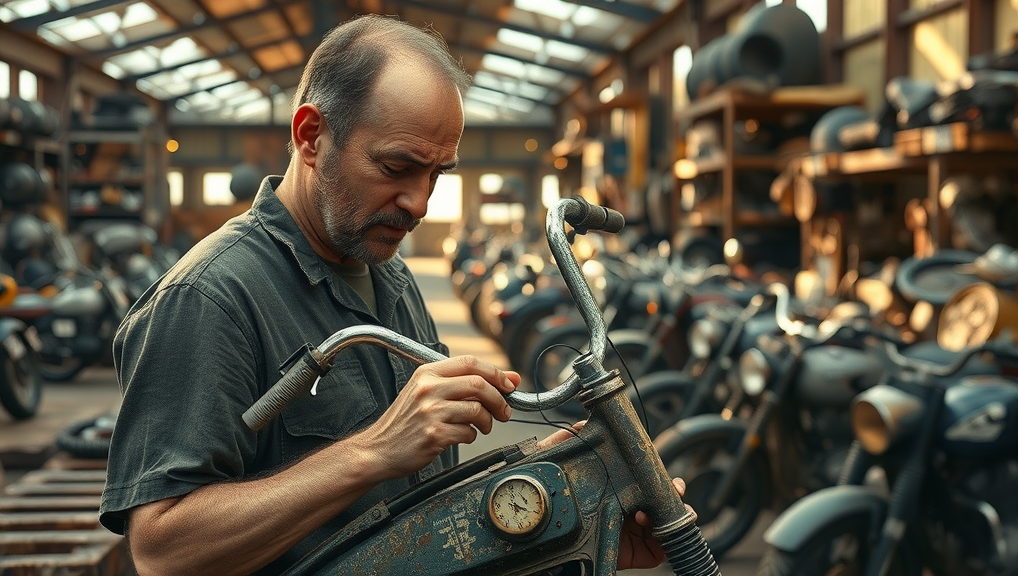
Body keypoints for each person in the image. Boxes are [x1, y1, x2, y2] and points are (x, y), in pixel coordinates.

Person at [99, 14, 686, 576]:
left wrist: (562, 506)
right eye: (397, 167)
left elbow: (414, 520)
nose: (419, 203)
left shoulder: (389, 277)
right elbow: (161, 551)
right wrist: (372, 452)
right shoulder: (209, 300)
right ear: (310, 136)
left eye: (437, 174)